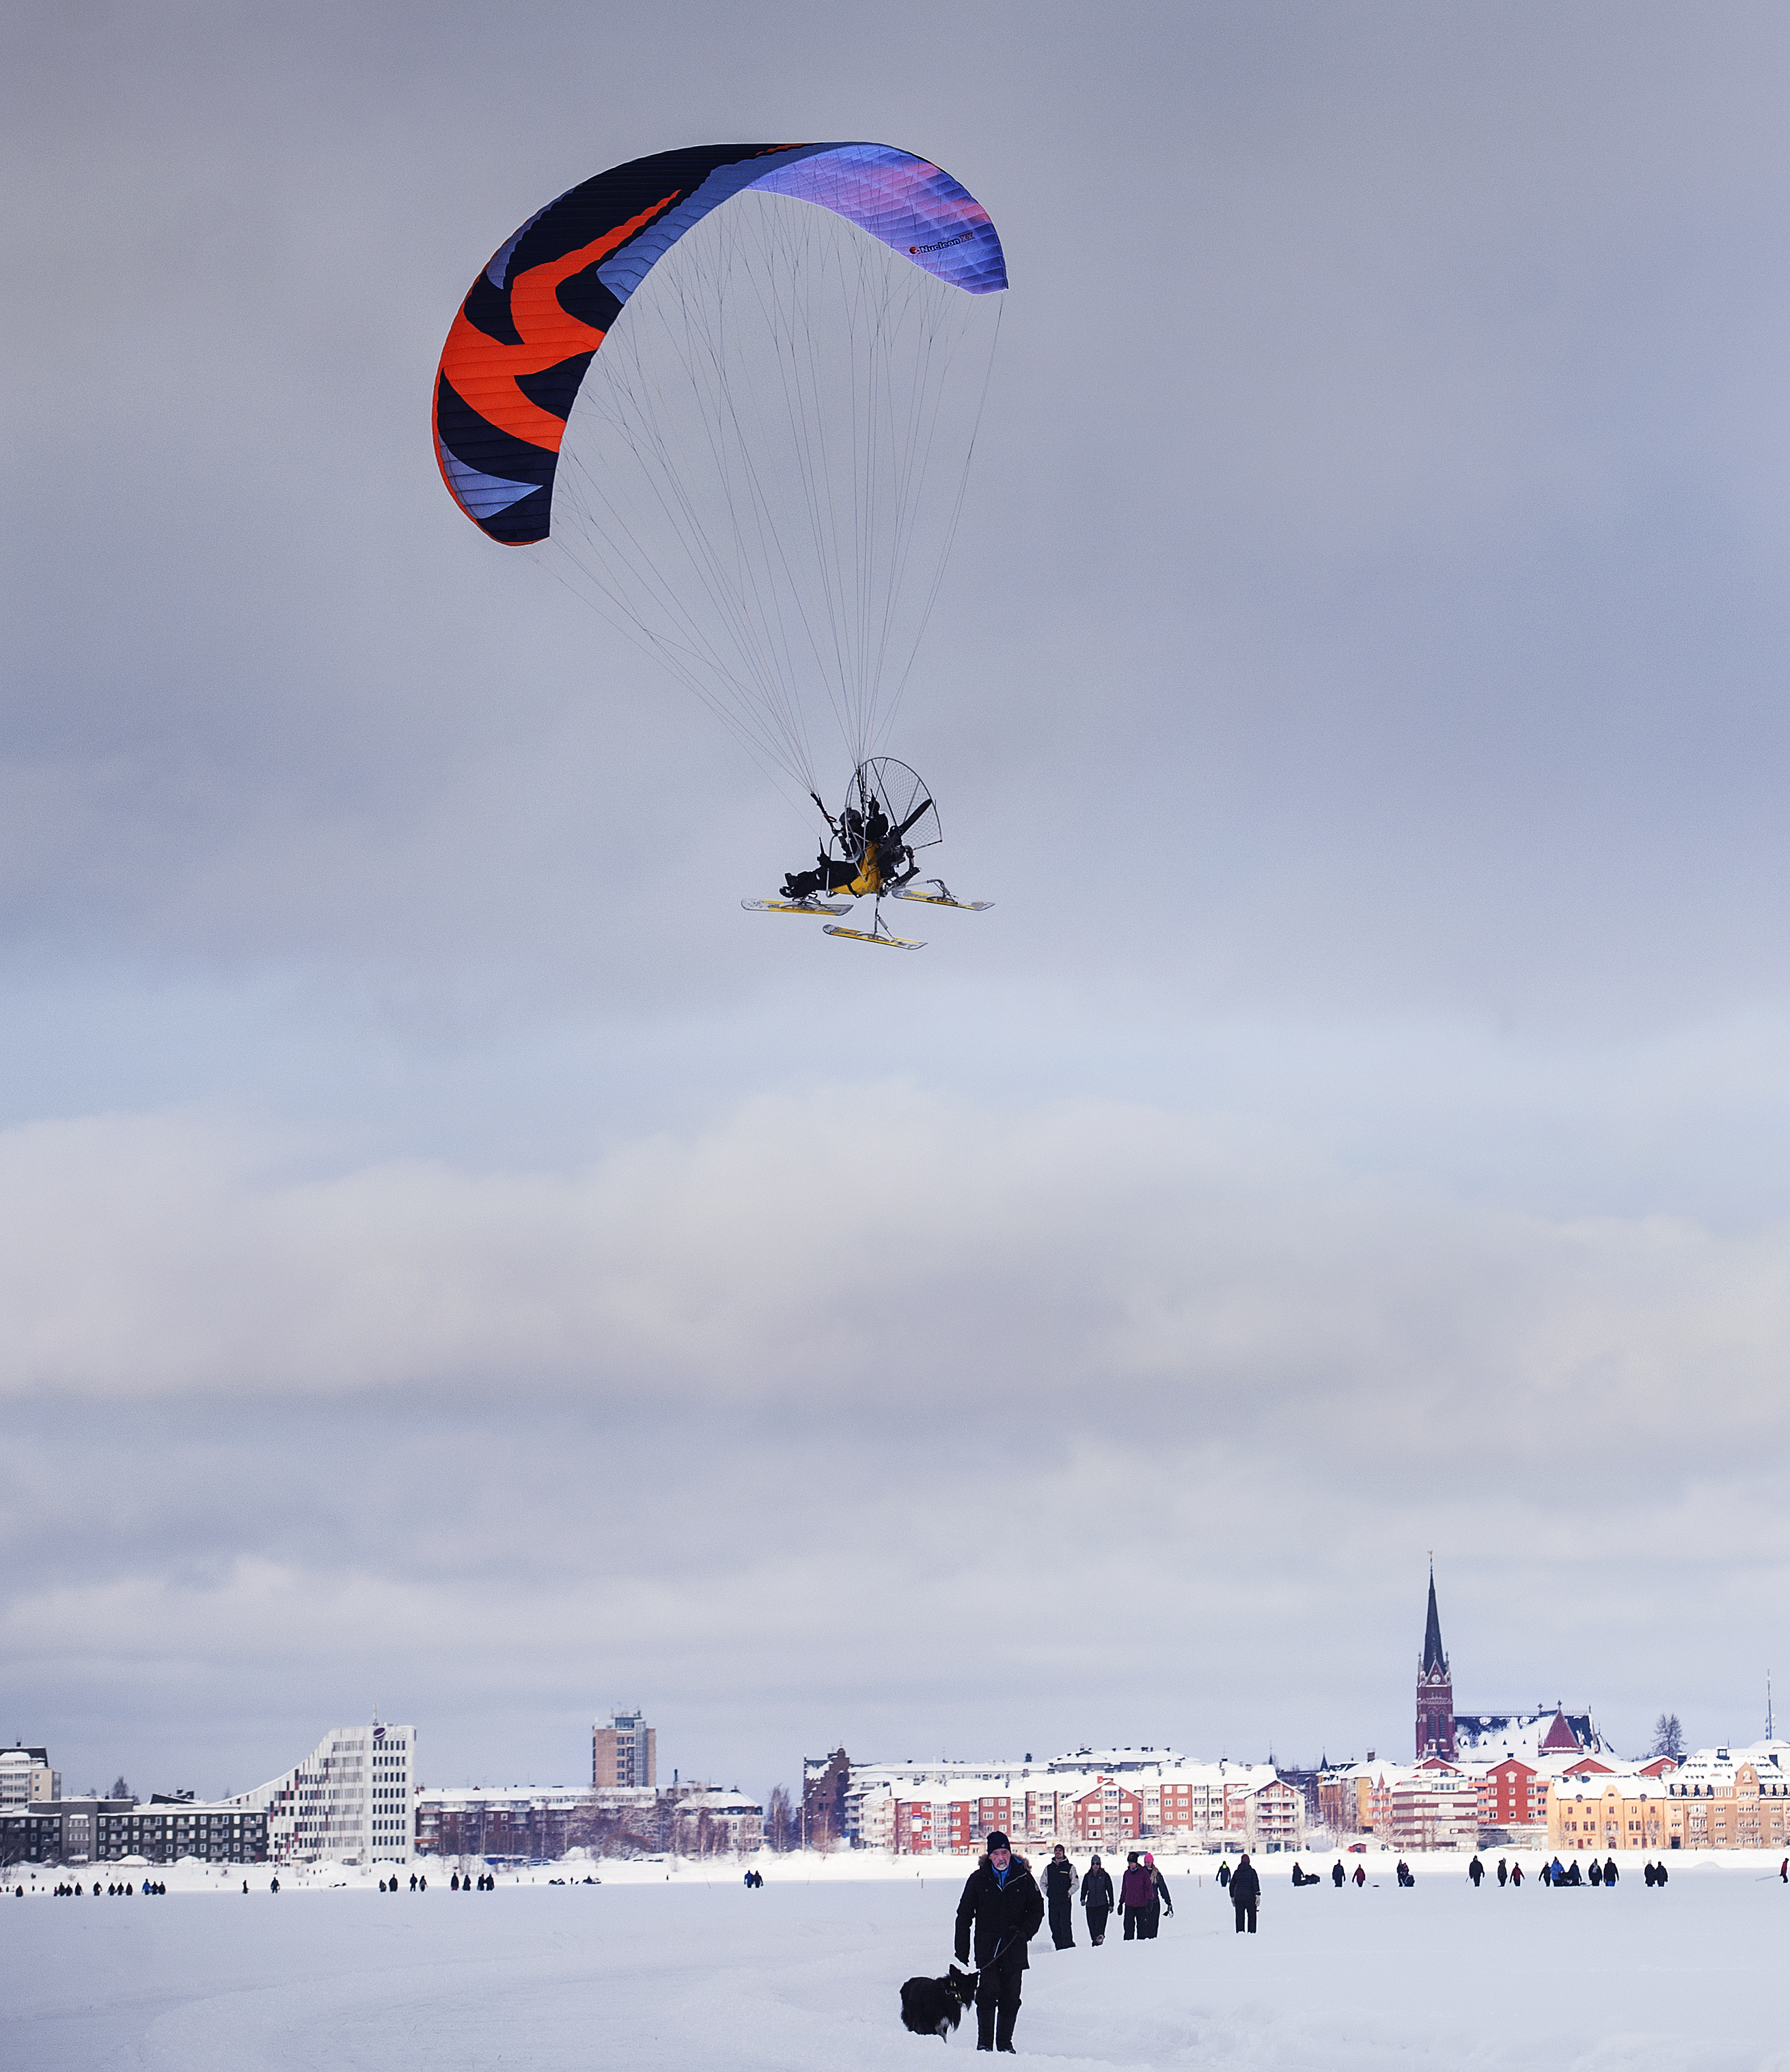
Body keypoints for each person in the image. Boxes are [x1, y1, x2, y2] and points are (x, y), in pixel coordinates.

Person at [954, 1831, 1043, 2054]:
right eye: (996, 1853)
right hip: (988, 1948)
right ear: (989, 1856)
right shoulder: (978, 1879)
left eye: (1004, 1852)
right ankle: (984, 2044)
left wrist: (1026, 1932)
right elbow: (964, 1914)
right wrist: (962, 1948)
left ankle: (1005, 2044)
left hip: (1014, 1946)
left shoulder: (1023, 1877)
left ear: (1010, 1853)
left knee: (1011, 1997)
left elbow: (1037, 1908)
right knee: (987, 1994)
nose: (1001, 1857)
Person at [780, 792, 931, 904]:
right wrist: (875, 813)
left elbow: (850, 871)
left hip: (859, 881)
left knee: (818, 877)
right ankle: (797, 881)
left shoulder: (858, 840)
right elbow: (879, 827)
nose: (843, 829)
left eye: (845, 825)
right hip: (867, 876)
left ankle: (795, 892)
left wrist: (829, 864)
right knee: (817, 873)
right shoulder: (868, 837)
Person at [1043, 1845, 1077, 1950]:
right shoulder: (1049, 1868)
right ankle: (1059, 1946)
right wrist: (1048, 1893)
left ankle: (1068, 1947)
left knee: (1065, 1925)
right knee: (1054, 1924)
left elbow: (1075, 1884)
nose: (1058, 1853)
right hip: (1053, 1902)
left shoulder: (1070, 1867)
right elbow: (1043, 1883)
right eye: (1056, 1851)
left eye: (1060, 1851)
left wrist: (1068, 1894)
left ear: (1063, 1852)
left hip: (1065, 1902)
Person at [1080, 1854, 1113, 1945]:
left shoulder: (1105, 1876)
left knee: (1100, 1926)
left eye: (1097, 1864)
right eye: (1094, 1864)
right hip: (1091, 1905)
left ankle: (1099, 1940)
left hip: (1102, 1905)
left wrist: (1111, 1904)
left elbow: (1110, 1890)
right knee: (1092, 1926)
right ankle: (1095, 1941)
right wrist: (1082, 1899)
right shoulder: (1088, 1876)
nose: (1095, 1865)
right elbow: (1084, 1888)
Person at [1120, 1853, 1151, 1940]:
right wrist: (1121, 1903)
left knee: (1141, 1928)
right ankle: (1128, 1945)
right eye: (1129, 1863)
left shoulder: (1143, 1873)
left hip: (1141, 1904)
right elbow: (1124, 1889)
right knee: (1128, 1927)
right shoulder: (1127, 1874)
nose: (1130, 1865)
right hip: (1129, 1904)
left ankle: (1141, 1946)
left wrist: (1150, 1900)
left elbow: (1148, 1887)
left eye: (1132, 1863)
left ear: (1136, 1863)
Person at [1229, 1850, 1261, 1933]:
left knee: (1239, 1917)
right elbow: (1255, 1884)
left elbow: (1232, 1885)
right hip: (1250, 1897)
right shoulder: (1252, 1872)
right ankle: (1252, 1932)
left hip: (1239, 1897)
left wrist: (1232, 1896)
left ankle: (1240, 1932)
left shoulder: (1237, 1872)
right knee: (1252, 1916)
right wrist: (1257, 1894)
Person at [1144, 1852, 1172, 1937]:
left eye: (1148, 1862)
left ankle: (1153, 1942)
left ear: (1152, 1862)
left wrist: (1168, 1902)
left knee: (1153, 1925)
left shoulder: (1156, 1874)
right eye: (1145, 1862)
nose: (1147, 1864)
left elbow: (1163, 1889)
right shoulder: (1141, 1873)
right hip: (1144, 1903)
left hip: (1154, 1903)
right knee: (1144, 1925)